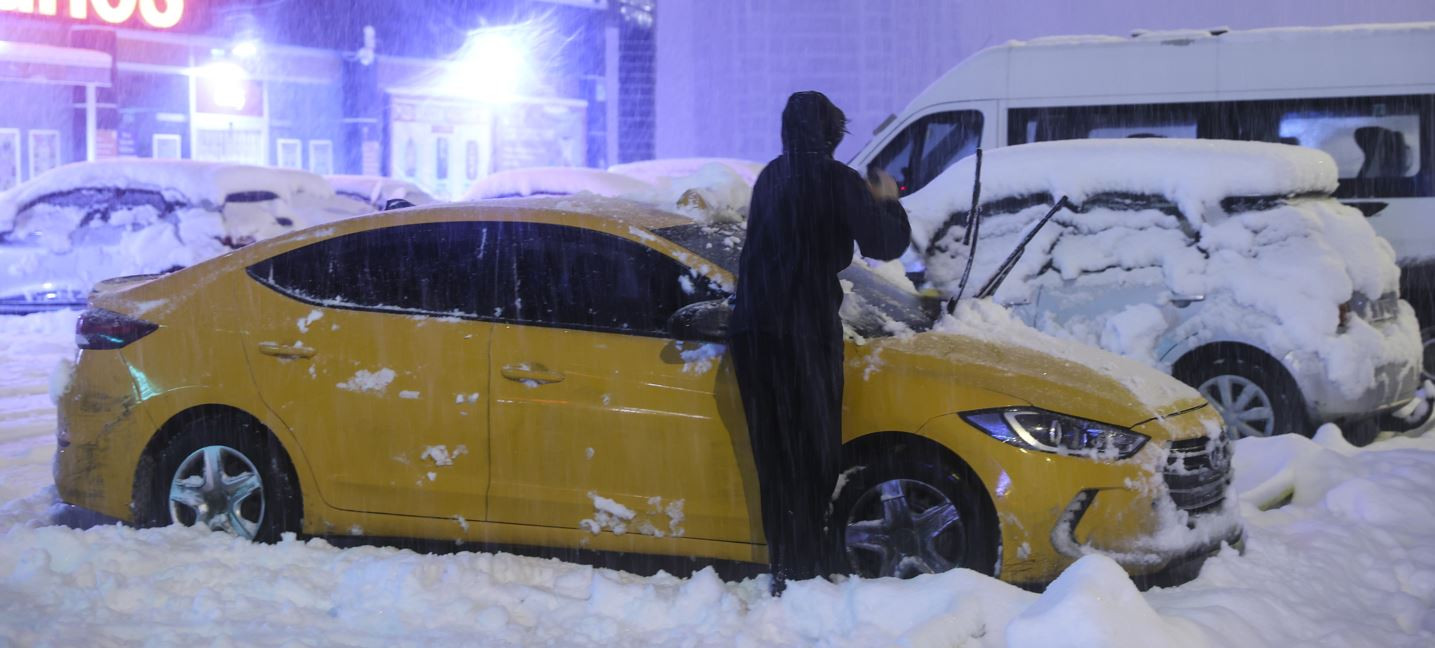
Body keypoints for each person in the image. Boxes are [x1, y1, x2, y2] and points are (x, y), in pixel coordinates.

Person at [729, 91, 911, 595]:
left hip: (754, 331)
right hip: (803, 331)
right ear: (831, 133)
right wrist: (887, 199)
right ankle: (806, 574)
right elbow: (883, 245)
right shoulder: (835, 179)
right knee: (813, 453)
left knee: (775, 456)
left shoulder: (771, 176)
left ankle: (787, 566)